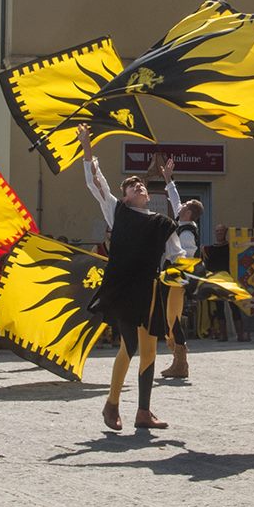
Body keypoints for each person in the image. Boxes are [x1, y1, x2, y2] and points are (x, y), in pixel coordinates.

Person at [79, 124, 183, 431]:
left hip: (150, 292)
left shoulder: (162, 223)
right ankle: (112, 404)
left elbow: (178, 256)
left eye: (141, 186)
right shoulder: (116, 212)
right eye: (132, 187)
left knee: (149, 349)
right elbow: (94, 183)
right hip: (124, 291)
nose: (139, 188)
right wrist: (87, 147)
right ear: (123, 198)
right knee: (129, 346)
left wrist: (193, 277)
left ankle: (143, 411)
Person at [160, 190, 202, 380]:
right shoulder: (183, 221)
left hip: (176, 277)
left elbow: (187, 257)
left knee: (173, 318)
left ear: (188, 213)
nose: (182, 204)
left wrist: (176, 276)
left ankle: (180, 363)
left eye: (186, 203)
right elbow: (176, 201)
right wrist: (169, 180)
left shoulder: (186, 233)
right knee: (169, 318)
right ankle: (178, 361)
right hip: (172, 276)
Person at [203, 225, 251, 342]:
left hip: (230, 281)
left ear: (225, 232)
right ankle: (223, 334)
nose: (219, 233)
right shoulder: (210, 250)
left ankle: (240, 334)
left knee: (235, 307)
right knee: (219, 308)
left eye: (221, 231)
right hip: (216, 281)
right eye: (217, 231)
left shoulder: (232, 248)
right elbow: (208, 266)